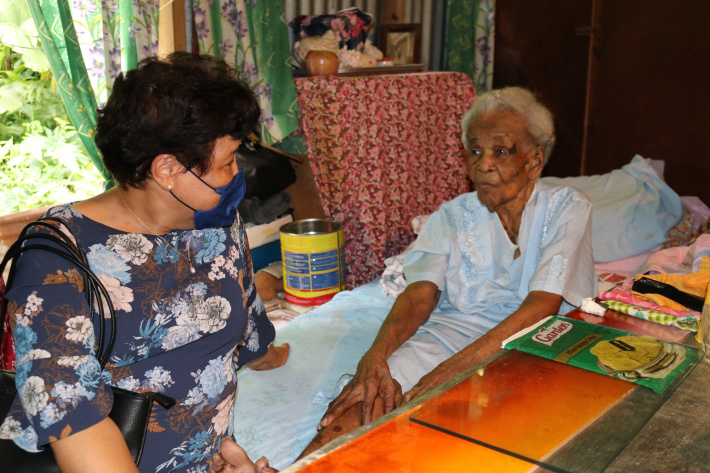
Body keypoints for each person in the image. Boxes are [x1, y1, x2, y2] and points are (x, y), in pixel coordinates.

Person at [0, 53, 288, 473]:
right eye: (227, 162)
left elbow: (246, 330)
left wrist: (279, 355)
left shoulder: (214, 226)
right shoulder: (54, 260)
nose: (236, 174)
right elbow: (70, 415)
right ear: (167, 169)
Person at [307, 87, 595, 452]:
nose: (483, 164)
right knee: (368, 394)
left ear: (536, 160)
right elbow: (419, 294)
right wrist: (374, 356)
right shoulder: (451, 216)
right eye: (474, 151)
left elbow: (543, 305)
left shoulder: (568, 208)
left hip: (534, 343)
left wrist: (451, 373)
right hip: (450, 335)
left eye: (501, 151)